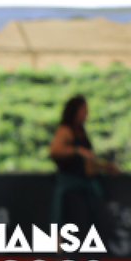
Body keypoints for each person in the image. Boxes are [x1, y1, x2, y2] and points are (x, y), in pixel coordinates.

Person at [49, 94, 118, 239]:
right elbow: (55, 150)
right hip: (72, 190)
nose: (86, 114)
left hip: (86, 188)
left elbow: (89, 162)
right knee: (74, 228)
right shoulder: (66, 130)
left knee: (89, 228)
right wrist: (77, 151)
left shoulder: (81, 131)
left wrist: (105, 167)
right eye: (84, 110)